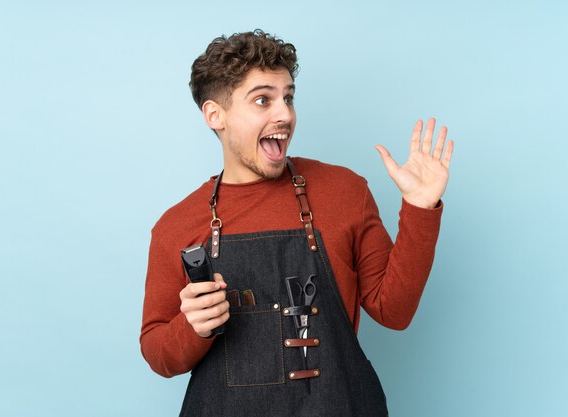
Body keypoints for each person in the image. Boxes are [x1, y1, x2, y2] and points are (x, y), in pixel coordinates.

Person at [140, 29, 453, 417]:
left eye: (288, 97)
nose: (284, 114)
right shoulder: (178, 225)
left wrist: (420, 208)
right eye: (262, 100)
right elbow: (158, 354)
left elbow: (394, 311)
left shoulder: (345, 192)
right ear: (215, 115)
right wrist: (193, 327)